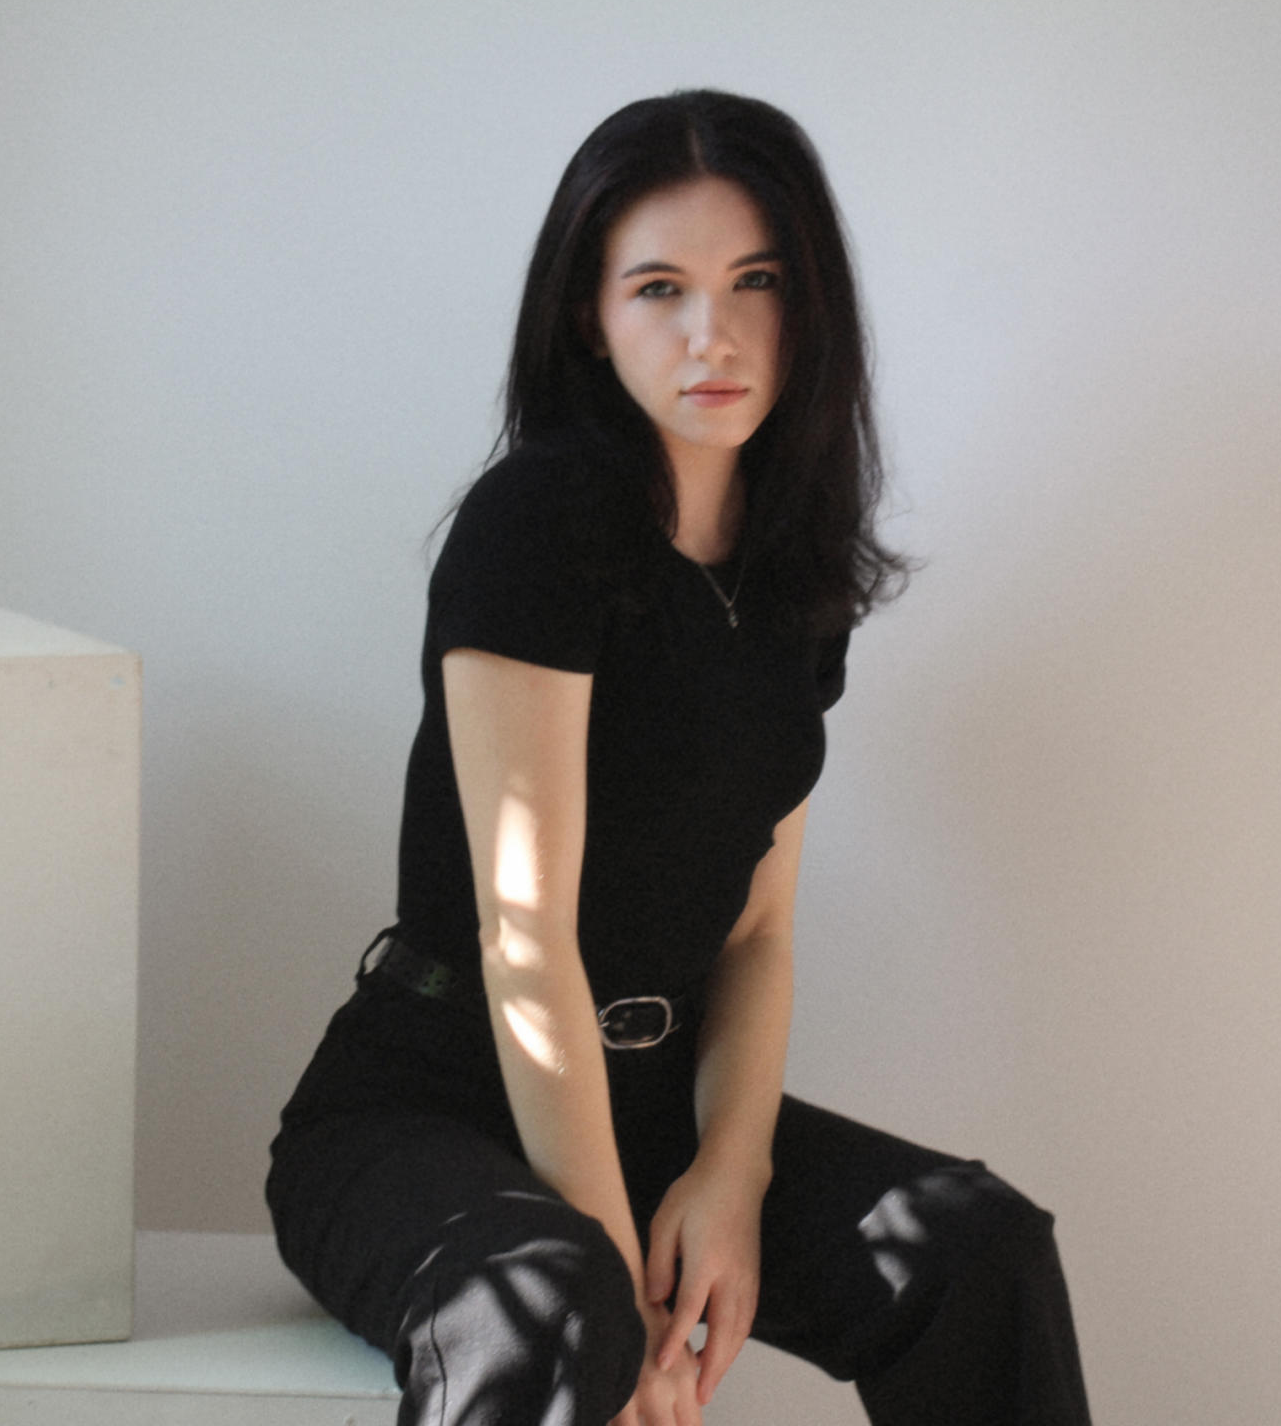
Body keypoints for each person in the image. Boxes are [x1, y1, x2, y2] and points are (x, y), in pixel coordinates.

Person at [266, 89, 1092, 1426]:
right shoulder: (538, 523)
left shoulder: (792, 568)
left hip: (655, 1102)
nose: (715, 333)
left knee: (970, 1250)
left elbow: (757, 934)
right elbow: (524, 934)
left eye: (757, 282)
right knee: (555, 1312)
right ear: (588, 319)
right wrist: (623, 1283)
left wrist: (732, 1177)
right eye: (660, 288)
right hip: (424, 1104)